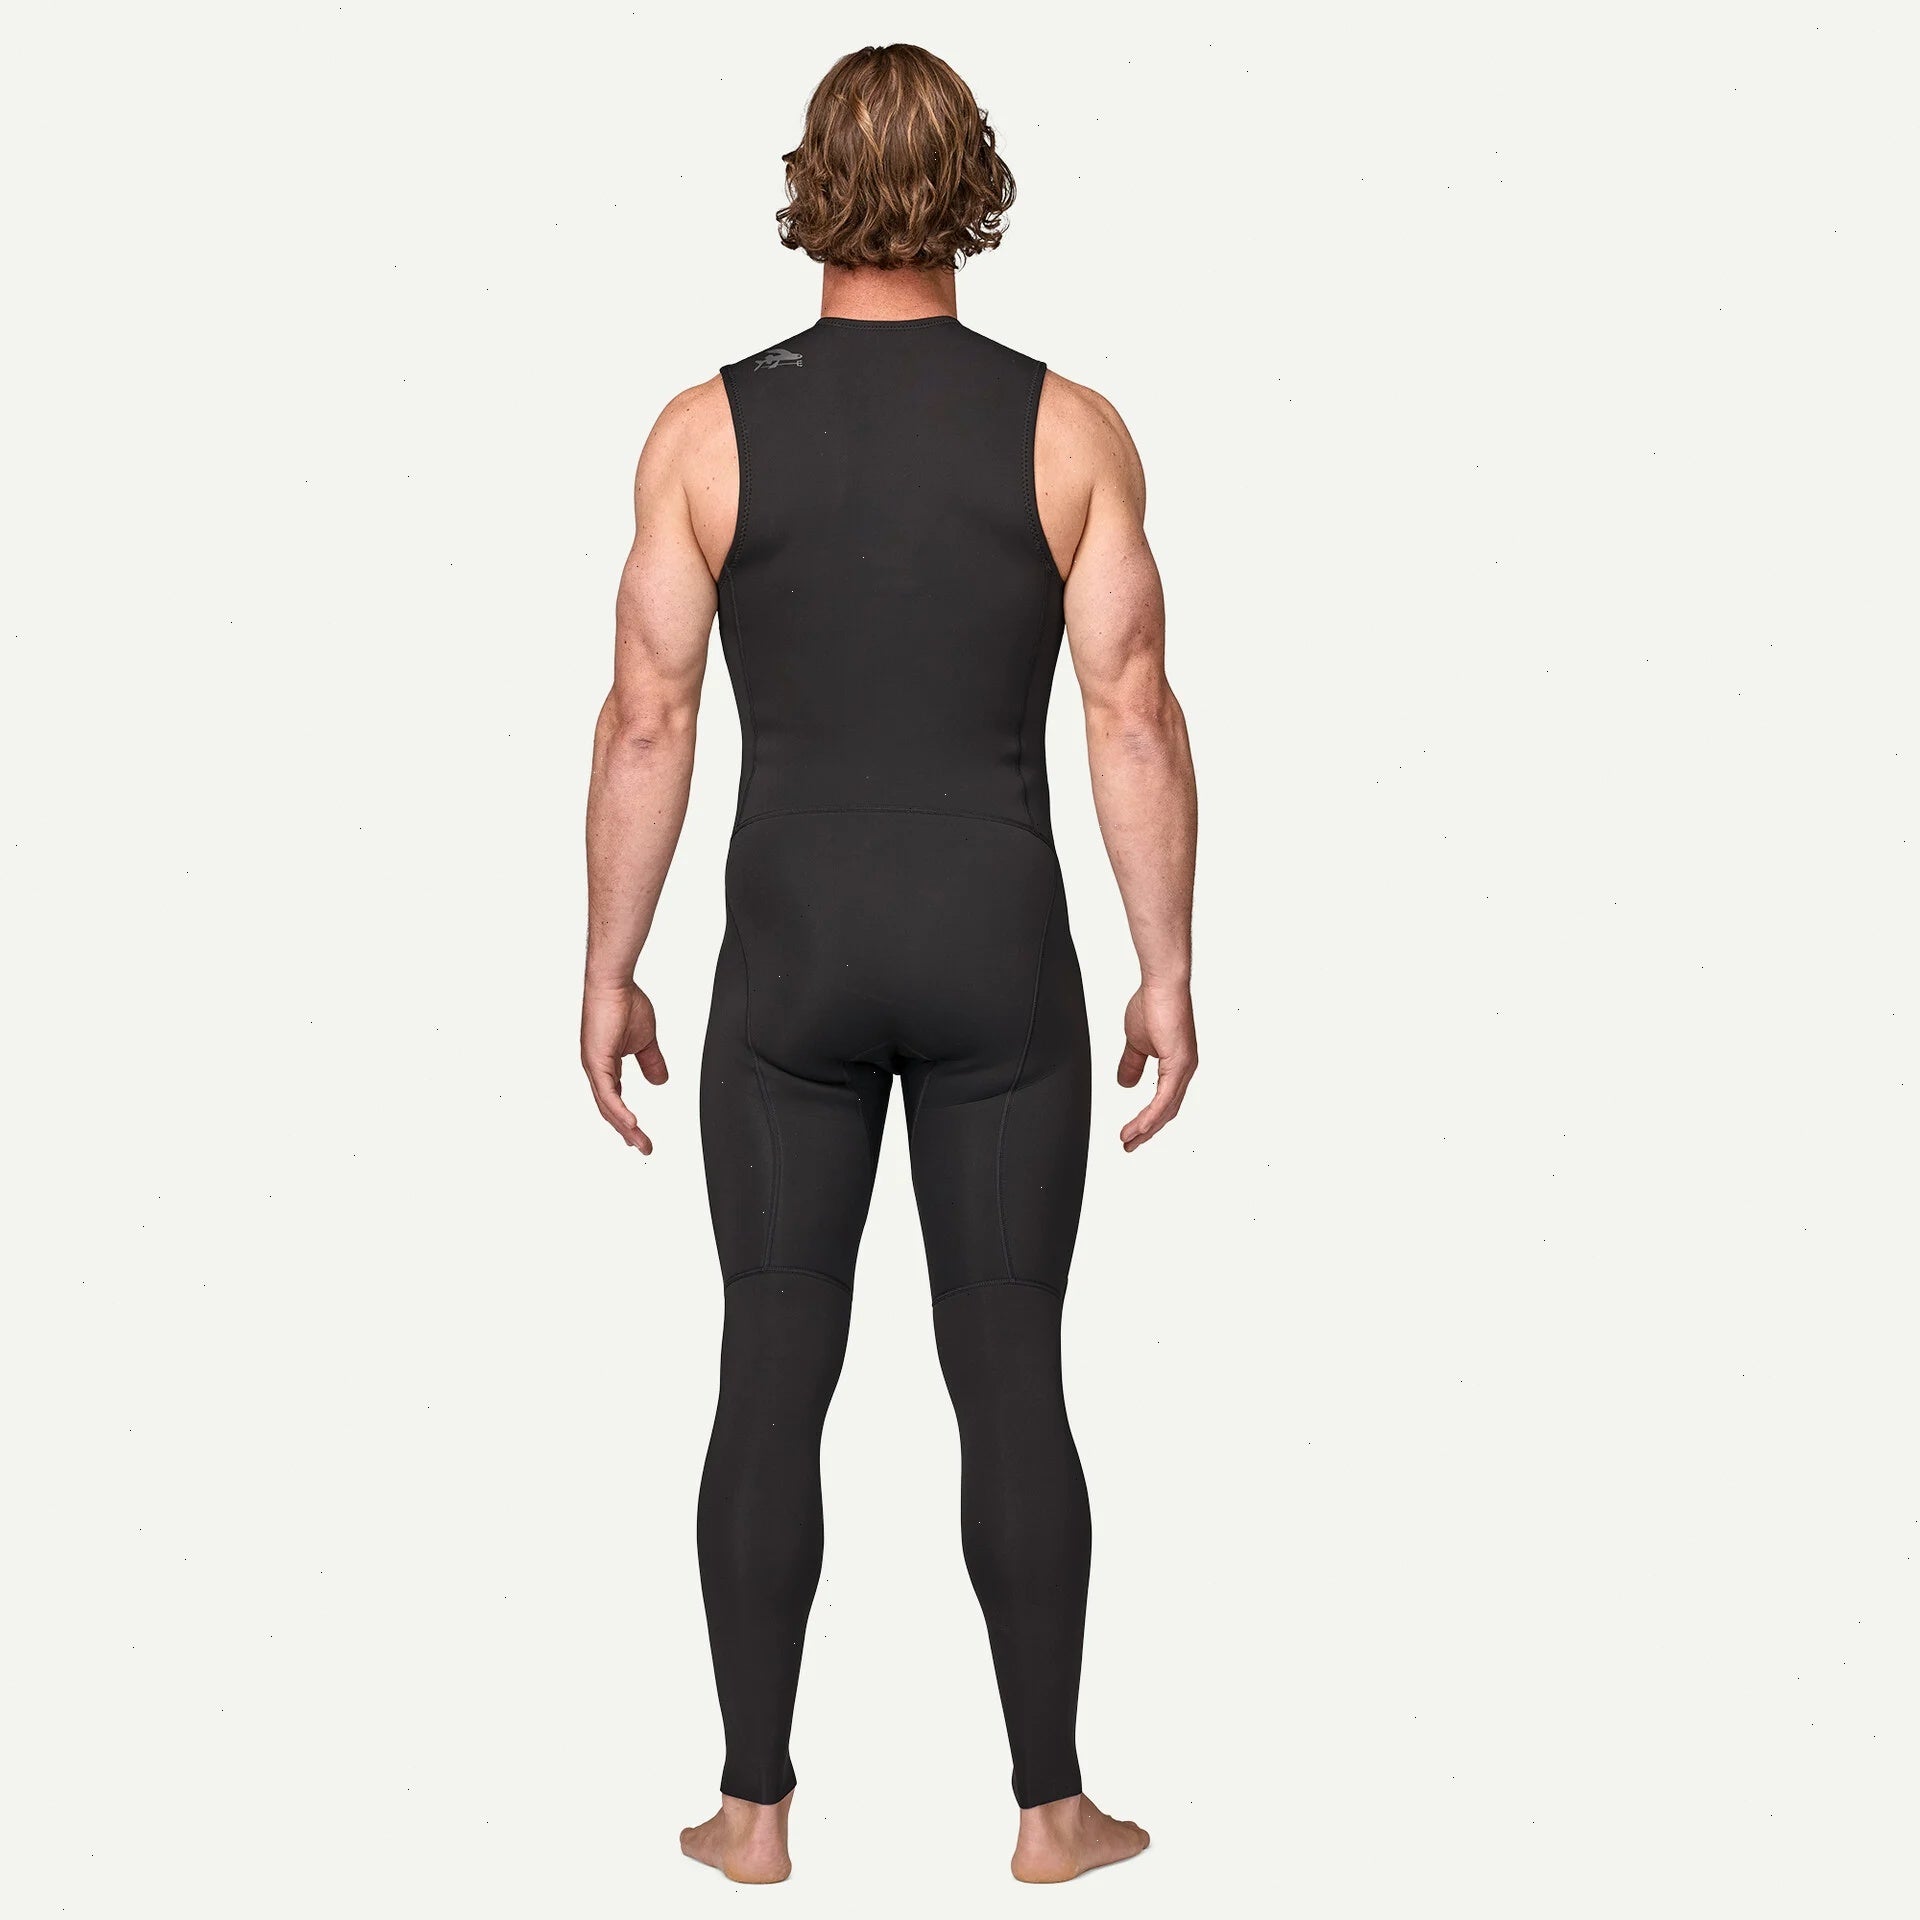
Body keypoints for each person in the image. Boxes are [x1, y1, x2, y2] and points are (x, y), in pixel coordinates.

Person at [581, 44, 1198, 1885]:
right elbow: (1132, 710)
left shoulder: (701, 433)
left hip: (794, 955)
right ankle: (1053, 1814)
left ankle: (752, 1813)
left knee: (771, 1361)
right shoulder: (1070, 430)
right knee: (1009, 1367)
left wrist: (610, 963)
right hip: (996, 946)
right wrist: (1166, 964)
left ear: (811, 188)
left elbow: (647, 716)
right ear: (973, 186)